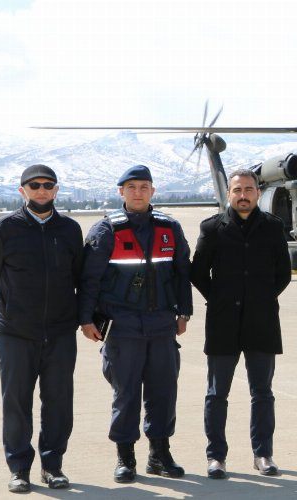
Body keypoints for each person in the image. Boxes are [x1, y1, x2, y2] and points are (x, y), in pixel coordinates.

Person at [78, 165, 193, 483]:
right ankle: (125, 458)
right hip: (123, 326)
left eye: (144, 186)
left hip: (161, 325)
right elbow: (90, 279)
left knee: (163, 391)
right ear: (121, 192)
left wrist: (184, 312)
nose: (138, 192)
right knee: (125, 393)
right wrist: (85, 319)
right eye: (132, 187)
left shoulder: (169, 228)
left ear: (153, 191)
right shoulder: (106, 230)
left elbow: (183, 272)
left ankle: (159, 454)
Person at [0, 165, 83, 493]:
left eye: (48, 185)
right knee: (16, 403)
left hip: (59, 333)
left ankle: (53, 466)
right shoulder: (3, 229)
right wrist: (15, 306)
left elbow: (79, 276)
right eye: (34, 185)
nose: (41, 190)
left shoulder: (69, 229)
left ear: (56, 190)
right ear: (21, 190)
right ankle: (19, 468)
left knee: (58, 401)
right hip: (15, 333)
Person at [191, 169, 291, 478]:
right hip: (223, 323)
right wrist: (220, 299)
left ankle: (263, 454)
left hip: (261, 322)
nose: (243, 195)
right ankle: (216, 457)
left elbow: (283, 275)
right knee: (216, 393)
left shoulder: (273, 228)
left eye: (249, 189)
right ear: (229, 194)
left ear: (258, 193)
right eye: (237, 190)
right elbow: (198, 273)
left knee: (262, 392)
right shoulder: (213, 228)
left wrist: (259, 298)